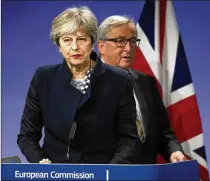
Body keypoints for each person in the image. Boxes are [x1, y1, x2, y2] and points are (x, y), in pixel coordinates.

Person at [17, 7, 139, 164]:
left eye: (82, 39)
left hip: (102, 173)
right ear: (59, 46)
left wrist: (111, 172)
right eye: (67, 40)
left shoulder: (118, 80)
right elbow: (26, 136)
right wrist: (41, 162)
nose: (75, 47)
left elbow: (129, 139)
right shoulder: (43, 78)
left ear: (92, 42)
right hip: (56, 173)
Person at [97, 15, 186, 164]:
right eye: (120, 41)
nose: (128, 48)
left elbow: (163, 131)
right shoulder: (85, 85)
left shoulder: (145, 82)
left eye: (132, 41)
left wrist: (174, 151)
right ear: (101, 46)